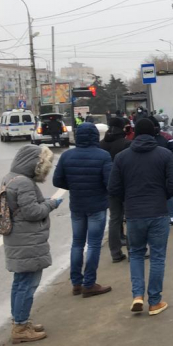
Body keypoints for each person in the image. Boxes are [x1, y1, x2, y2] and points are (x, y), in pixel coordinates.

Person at [108, 118, 173, 316]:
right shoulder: (164, 154)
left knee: (137, 254)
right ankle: (155, 301)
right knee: (157, 256)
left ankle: (137, 295)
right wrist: (162, 196)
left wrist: (129, 199)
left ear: (135, 133)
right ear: (154, 132)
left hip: (133, 213)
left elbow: (113, 187)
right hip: (158, 212)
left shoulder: (122, 157)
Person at [1, 145, 61, 344]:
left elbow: (22, 207)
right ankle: (20, 327)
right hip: (27, 241)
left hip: (18, 239)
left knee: (20, 283)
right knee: (27, 284)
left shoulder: (10, 177)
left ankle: (20, 322)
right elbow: (32, 212)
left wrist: (40, 202)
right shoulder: (24, 183)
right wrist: (50, 204)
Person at [52, 123, 113, 298]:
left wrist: (74, 185)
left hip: (77, 205)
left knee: (77, 243)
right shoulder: (103, 156)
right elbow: (109, 183)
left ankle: (76, 283)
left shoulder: (67, 156)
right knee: (94, 244)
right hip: (97, 205)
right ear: (95, 136)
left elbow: (58, 181)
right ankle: (89, 283)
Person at [100, 117, 130, 263]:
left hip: (109, 187)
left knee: (114, 218)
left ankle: (115, 253)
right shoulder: (126, 144)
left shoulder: (101, 144)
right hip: (127, 185)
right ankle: (133, 250)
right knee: (130, 217)